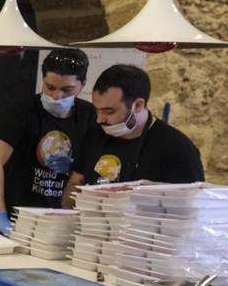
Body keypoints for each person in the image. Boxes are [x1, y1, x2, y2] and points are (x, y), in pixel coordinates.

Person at [0, 48, 95, 234]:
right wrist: (0, 216)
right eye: (50, 87)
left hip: (66, 222)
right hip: (19, 219)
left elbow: (95, 169)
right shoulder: (22, 111)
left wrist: (76, 167)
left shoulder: (90, 115)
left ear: (82, 85)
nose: (57, 96)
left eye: (67, 90)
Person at [63, 63, 204, 206]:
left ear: (138, 105)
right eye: (97, 110)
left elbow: (189, 207)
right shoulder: (94, 135)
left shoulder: (176, 148)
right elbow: (75, 183)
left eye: (109, 111)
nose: (100, 119)